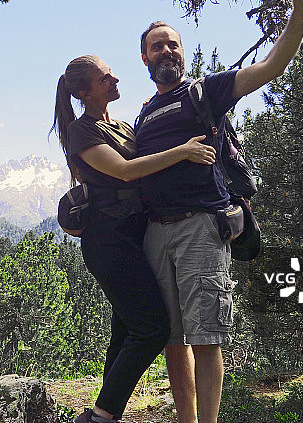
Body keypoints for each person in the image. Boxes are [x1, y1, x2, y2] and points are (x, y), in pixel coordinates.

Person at [134, 0, 303, 423]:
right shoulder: (144, 113)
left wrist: (300, 16)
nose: (166, 50)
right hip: (156, 233)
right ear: (145, 59)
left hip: (200, 227)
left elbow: (271, 67)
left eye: (173, 44)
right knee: (173, 342)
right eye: (157, 46)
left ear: (183, 52)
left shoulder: (206, 91)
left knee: (205, 338)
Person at [51, 54, 218, 423]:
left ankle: (105, 413)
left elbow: (146, 150)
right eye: (105, 78)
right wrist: (185, 151)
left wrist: (152, 112)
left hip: (134, 235)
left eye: (112, 74)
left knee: (126, 329)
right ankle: (101, 415)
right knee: (152, 329)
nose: (115, 80)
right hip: (108, 239)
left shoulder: (124, 126)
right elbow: (125, 171)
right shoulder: (82, 131)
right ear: (85, 92)